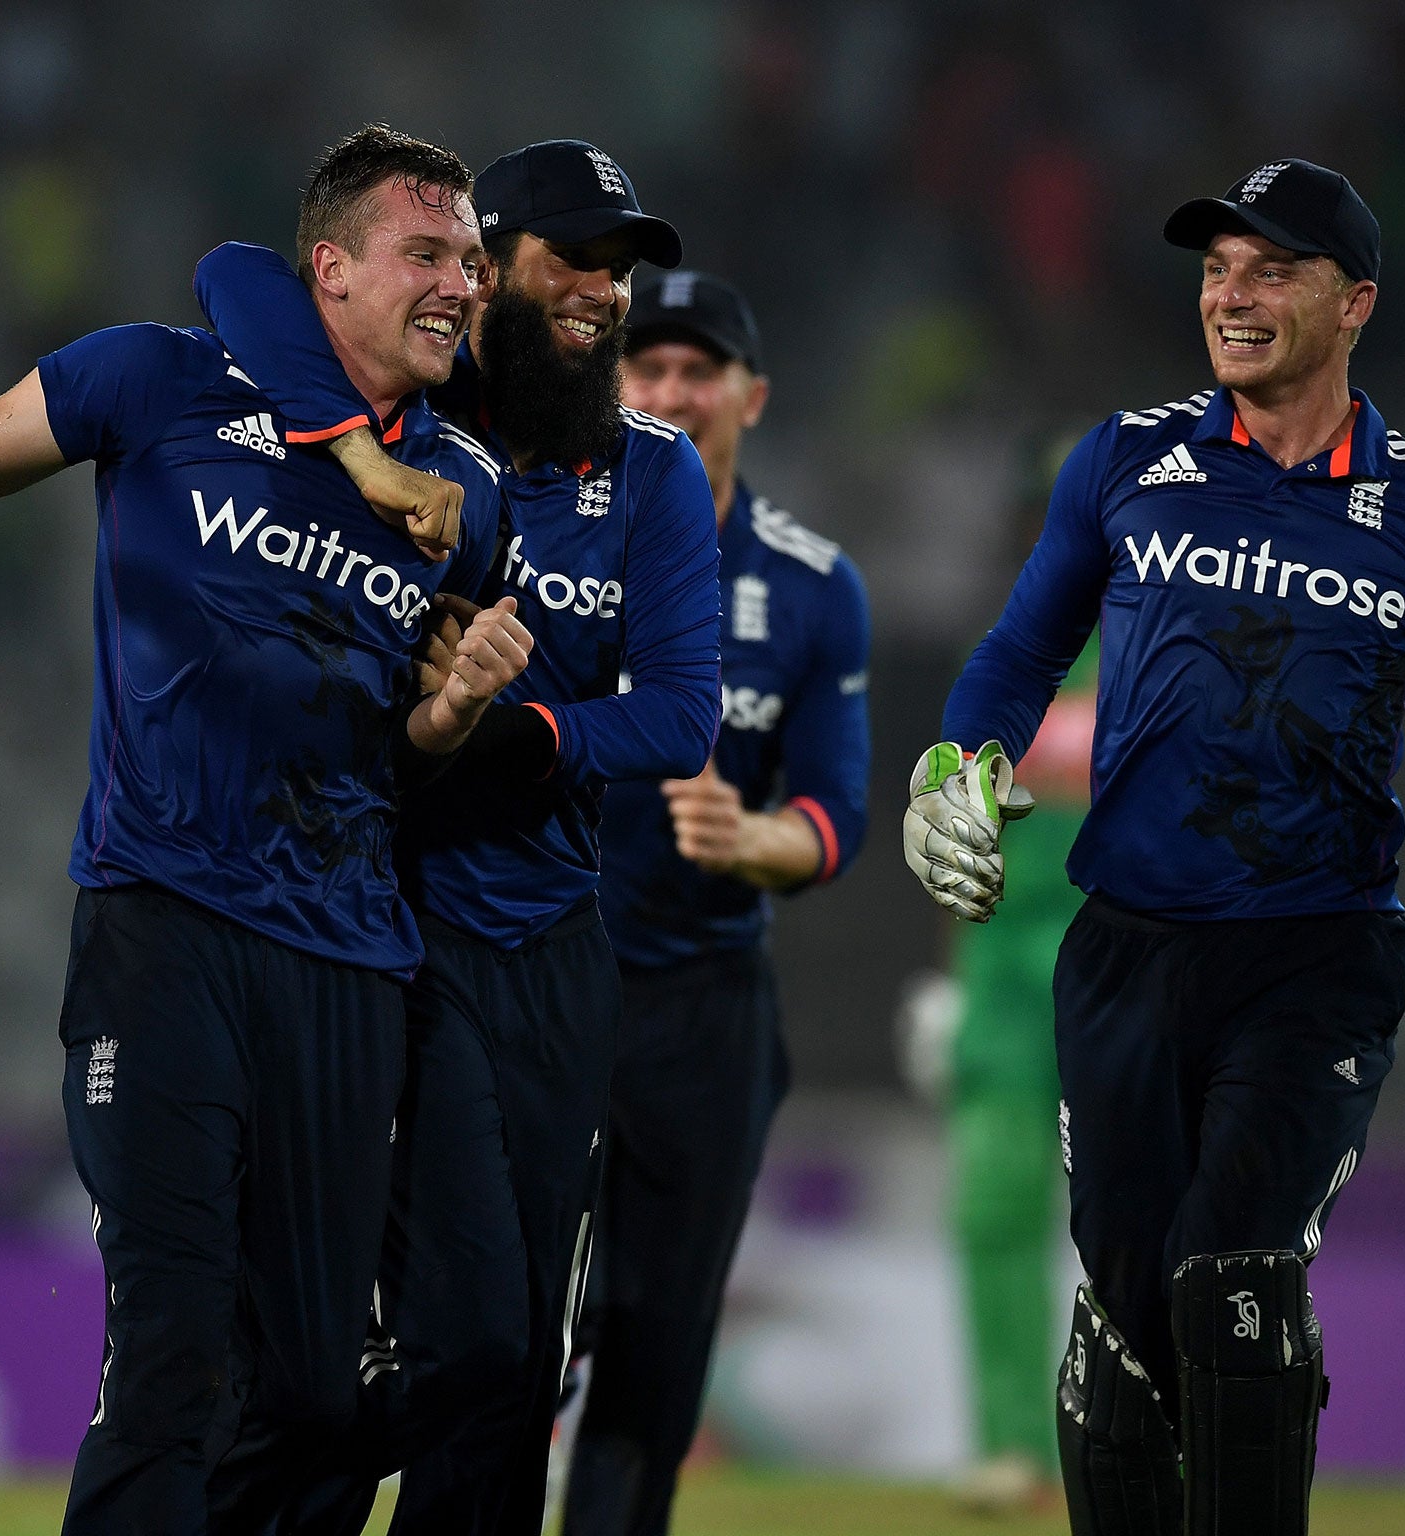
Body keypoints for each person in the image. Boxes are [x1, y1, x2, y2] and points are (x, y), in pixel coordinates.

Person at [0, 126, 532, 1536]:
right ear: (329, 270)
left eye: (472, 260)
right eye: (427, 254)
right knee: (175, 1353)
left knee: (321, 1395)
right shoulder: (156, 381)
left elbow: (408, 754)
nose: (462, 282)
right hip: (167, 932)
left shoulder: (472, 492)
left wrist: (448, 719)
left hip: (348, 962)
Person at [902, 159, 1405, 1536]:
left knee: (1235, 1280)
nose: (1234, 292)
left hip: (1315, 957)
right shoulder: (1123, 460)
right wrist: (948, 769)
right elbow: (1019, 651)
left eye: (1273, 269)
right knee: (1133, 1319)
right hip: (1125, 956)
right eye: (1218, 268)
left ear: (1356, 304)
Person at [193, 139, 722, 1534]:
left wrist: (528, 738)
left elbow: (678, 717)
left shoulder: (653, 475)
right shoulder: (413, 419)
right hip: (382, 930)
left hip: (552, 952)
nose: (607, 294)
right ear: (486, 273)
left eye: (622, 270)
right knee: (402, 1344)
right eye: (574, 263)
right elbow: (238, 277)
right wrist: (363, 455)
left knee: (512, 1363)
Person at [553, 273, 871, 1536]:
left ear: (751, 394)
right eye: (648, 369)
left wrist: (754, 839)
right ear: (611, 385)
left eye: (700, 372)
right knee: (503, 1338)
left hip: (702, 1011)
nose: (672, 393)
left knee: (656, 1356)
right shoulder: (542, 536)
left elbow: (838, 812)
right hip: (540, 986)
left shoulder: (812, 585)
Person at [940, 639, 1092, 1516]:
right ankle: (1013, 1448)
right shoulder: (1006, 661)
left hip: (1122, 962)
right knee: (994, 1208)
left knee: (1146, 1215)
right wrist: (950, 984)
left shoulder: (1170, 629)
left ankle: (1163, 1435)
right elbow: (957, 833)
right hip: (1001, 983)